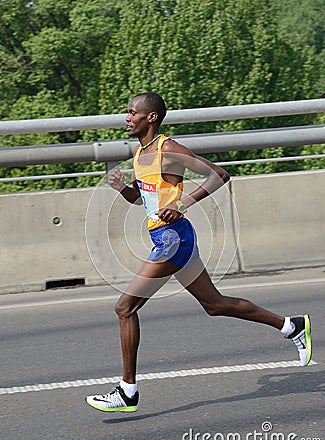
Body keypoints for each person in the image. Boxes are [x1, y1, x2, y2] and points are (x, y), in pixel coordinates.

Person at [85, 92, 312, 413]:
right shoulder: (140, 153)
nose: (126, 118)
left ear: (150, 117)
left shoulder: (169, 150)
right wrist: (122, 187)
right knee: (215, 305)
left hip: (173, 239)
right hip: (168, 237)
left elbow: (218, 174)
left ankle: (127, 391)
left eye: (131, 112)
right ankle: (292, 326)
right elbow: (142, 200)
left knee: (124, 308)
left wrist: (182, 204)